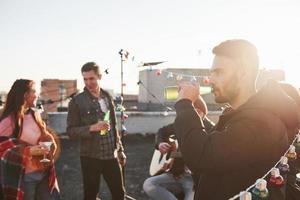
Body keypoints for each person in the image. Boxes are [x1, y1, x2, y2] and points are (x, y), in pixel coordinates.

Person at [174, 39, 300, 199]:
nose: (210, 79)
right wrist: (199, 116)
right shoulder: (241, 115)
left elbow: (202, 156)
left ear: (243, 74)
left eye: (218, 72)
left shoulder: (260, 122)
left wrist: (184, 105)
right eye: (211, 72)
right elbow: (217, 146)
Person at [67, 62, 126, 200]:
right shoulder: (77, 101)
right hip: (90, 157)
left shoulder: (108, 96)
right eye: (85, 79)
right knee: (91, 196)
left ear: (99, 77)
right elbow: (71, 131)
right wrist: (92, 128)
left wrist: (120, 149)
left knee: (119, 194)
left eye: (91, 78)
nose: (88, 82)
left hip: (111, 156)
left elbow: (114, 125)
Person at [0, 79, 60, 200]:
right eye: (34, 91)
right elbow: (2, 147)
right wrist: (29, 151)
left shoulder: (34, 114)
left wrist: (49, 139)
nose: (36, 95)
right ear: (24, 95)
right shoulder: (9, 120)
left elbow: (43, 135)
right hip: (24, 178)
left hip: (44, 173)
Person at [143, 98, 211, 200]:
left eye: (195, 112)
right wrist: (161, 143)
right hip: (175, 176)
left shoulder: (211, 130)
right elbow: (162, 131)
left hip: (193, 181)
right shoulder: (182, 124)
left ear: (201, 113)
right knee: (149, 184)